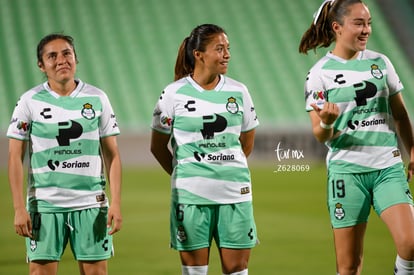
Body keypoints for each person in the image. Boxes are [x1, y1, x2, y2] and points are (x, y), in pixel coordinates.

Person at [299, 0, 414, 274]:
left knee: (410, 244)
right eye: (359, 23)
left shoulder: (380, 63)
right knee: (349, 266)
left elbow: (400, 114)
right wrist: (327, 122)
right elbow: (319, 133)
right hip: (347, 173)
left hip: (387, 167)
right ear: (337, 27)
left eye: (369, 23)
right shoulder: (319, 74)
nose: (366, 30)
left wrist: (412, 151)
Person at [7, 33, 122, 275]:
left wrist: (117, 203)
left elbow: (112, 154)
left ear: (75, 59)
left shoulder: (97, 98)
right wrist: (19, 207)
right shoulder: (29, 101)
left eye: (66, 53)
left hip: (91, 203)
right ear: (41, 65)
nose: (61, 60)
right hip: (45, 205)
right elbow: (15, 157)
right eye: (52, 56)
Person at [150, 23, 259, 275]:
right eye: (219, 49)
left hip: (235, 193)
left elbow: (247, 143)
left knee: (237, 271)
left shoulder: (238, 91)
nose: (227, 54)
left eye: (228, 48)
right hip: (190, 198)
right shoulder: (173, 94)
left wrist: (225, 168)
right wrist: (185, 175)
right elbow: (157, 147)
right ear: (199, 54)